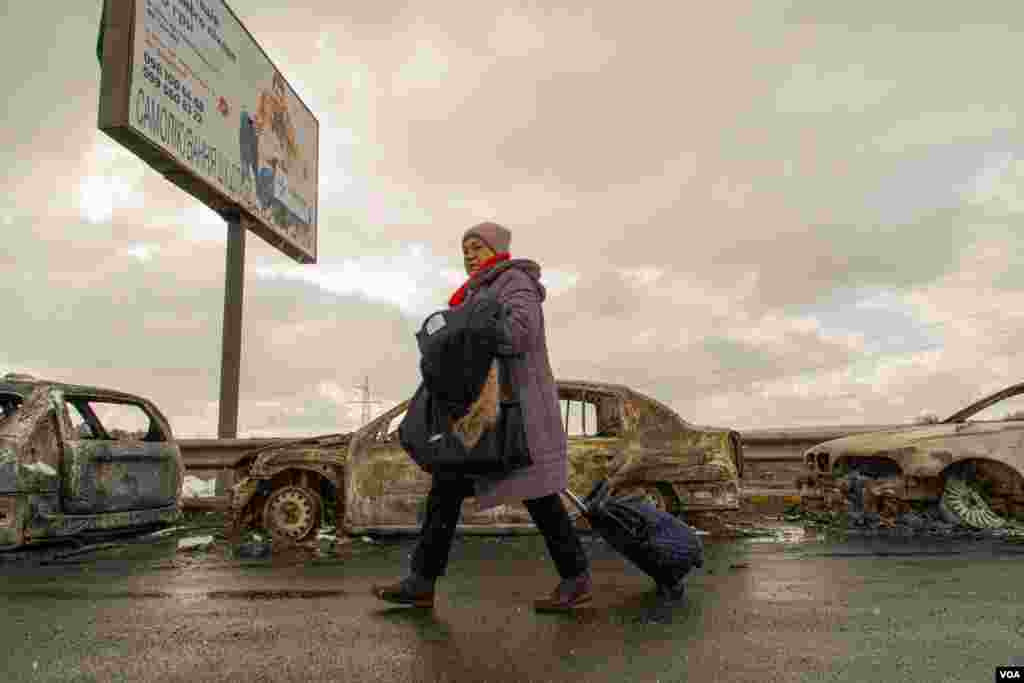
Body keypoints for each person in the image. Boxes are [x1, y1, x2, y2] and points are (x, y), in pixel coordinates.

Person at [372, 222, 592, 612]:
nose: (469, 254)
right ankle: (422, 582)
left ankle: (576, 578)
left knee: (538, 495)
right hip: (480, 415)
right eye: (465, 248)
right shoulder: (473, 293)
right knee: (446, 486)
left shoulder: (515, 283)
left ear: (496, 249)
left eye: (476, 246)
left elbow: (520, 334)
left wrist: (474, 326)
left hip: (516, 412)